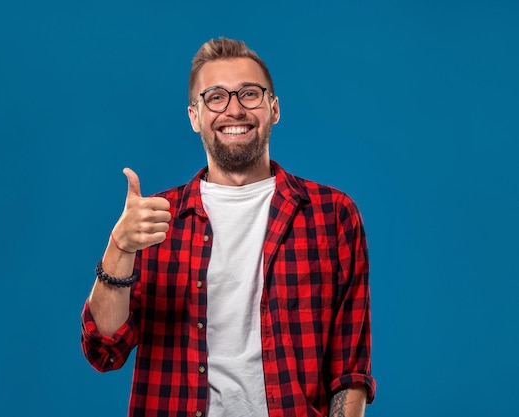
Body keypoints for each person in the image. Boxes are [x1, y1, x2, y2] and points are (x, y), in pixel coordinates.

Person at [81, 37, 375, 417]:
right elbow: (104, 350)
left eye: (249, 94)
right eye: (216, 97)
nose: (234, 110)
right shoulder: (153, 221)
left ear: (274, 109)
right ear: (194, 116)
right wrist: (119, 248)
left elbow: (349, 369)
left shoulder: (332, 215)